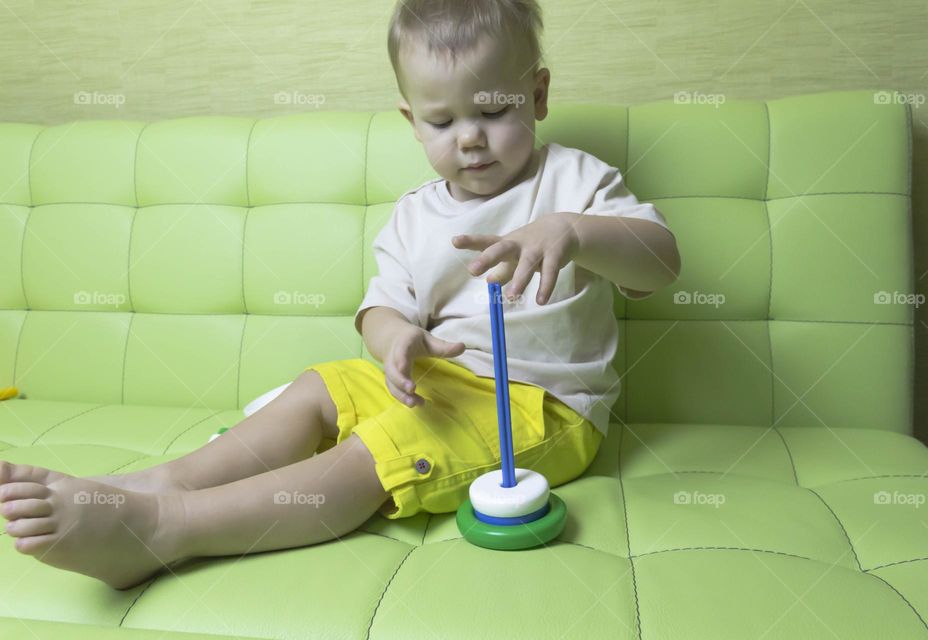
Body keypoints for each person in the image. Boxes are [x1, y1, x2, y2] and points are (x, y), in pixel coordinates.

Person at [0, 0, 680, 590]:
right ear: (412, 121)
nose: (470, 138)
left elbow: (660, 264)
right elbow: (380, 309)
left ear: (537, 95)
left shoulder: (575, 183)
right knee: (319, 386)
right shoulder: (415, 214)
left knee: (380, 448)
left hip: (539, 409)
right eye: (442, 122)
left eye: (494, 110)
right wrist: (396, 340)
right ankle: (159, 482)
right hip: (437, 383)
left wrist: (576, 233)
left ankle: (165, 527)